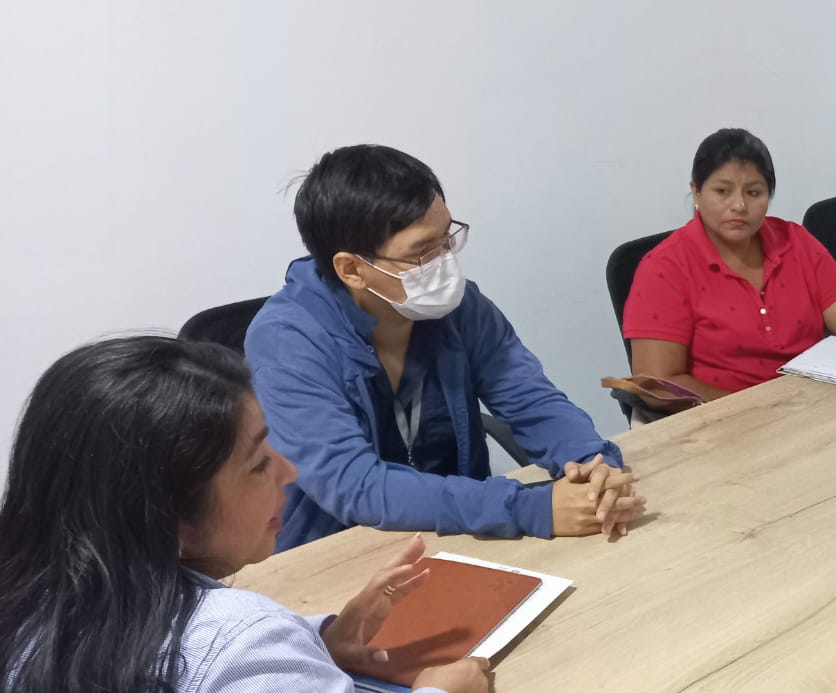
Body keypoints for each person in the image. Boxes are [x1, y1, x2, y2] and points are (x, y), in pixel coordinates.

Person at [0, 337, 491, 693]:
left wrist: (318, 641)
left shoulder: (30, 604)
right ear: (167, 521)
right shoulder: (235, 650)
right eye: (258, 464)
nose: (288, 471)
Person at [246, 145, 644, 551]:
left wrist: (594, 466)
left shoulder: (462, 307)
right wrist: (527, 507)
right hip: (339, 551)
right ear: (352, 269)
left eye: (447, 239)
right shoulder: (286, 342)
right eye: (422, 253)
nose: (444, 262)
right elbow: (355, 484)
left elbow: (532, 400)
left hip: (463, 533)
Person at [623, 129, 836, 399]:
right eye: (722, 191)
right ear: (696, 192)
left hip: (810, 407)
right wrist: (747, 411)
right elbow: (658, 382)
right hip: (720, 423)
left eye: (754, 192)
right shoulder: (665, 268)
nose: (739, 206)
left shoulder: (794, 242)